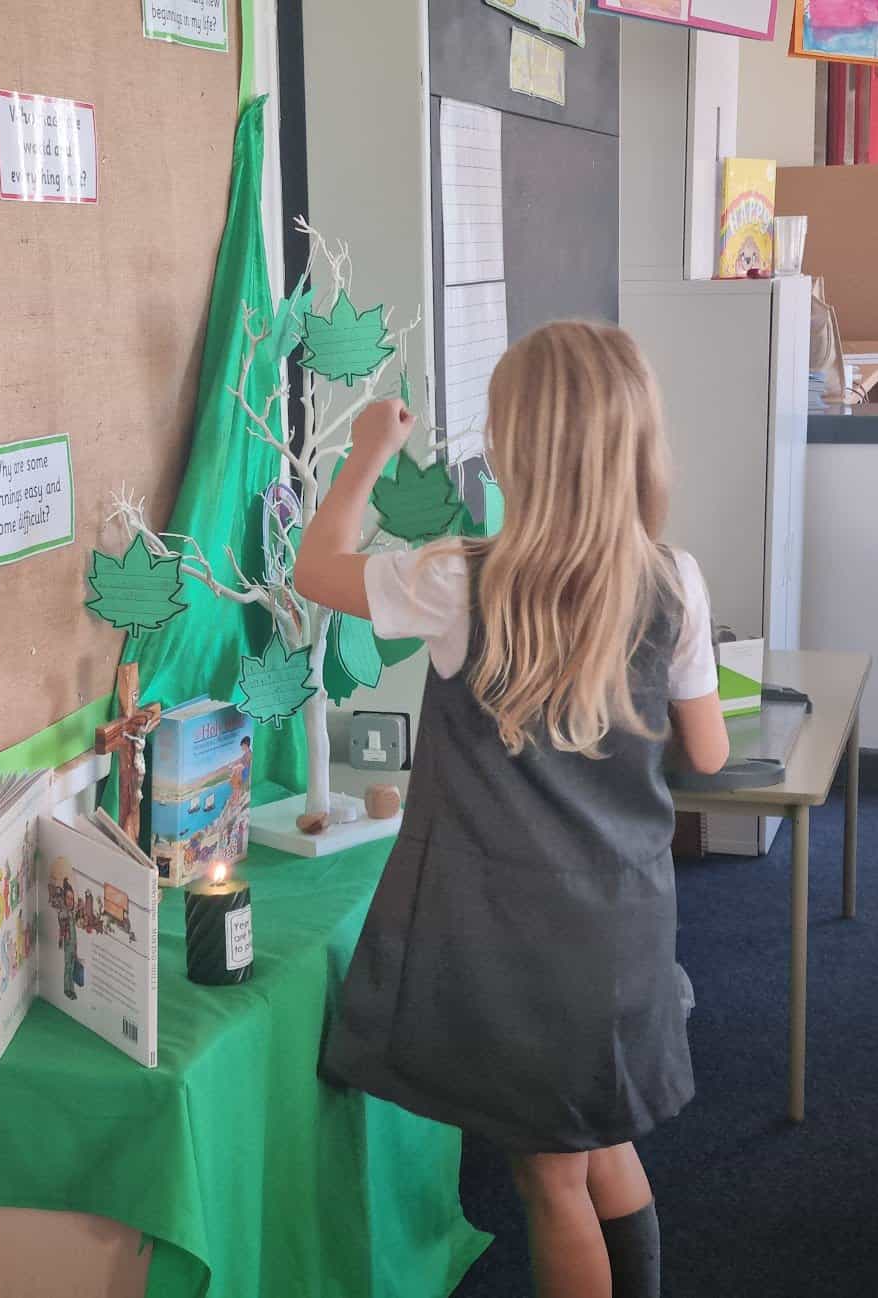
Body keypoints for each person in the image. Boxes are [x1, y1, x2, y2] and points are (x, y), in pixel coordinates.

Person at [294, 321, 729, 1298]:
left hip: (508, 935)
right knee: (599, 1141)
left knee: (549, 1180)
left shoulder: (456, 579)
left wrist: (366, 453)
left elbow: (315, 567)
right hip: (620, 924)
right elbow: (706, 752)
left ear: (513, 448)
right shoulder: (675, 580)